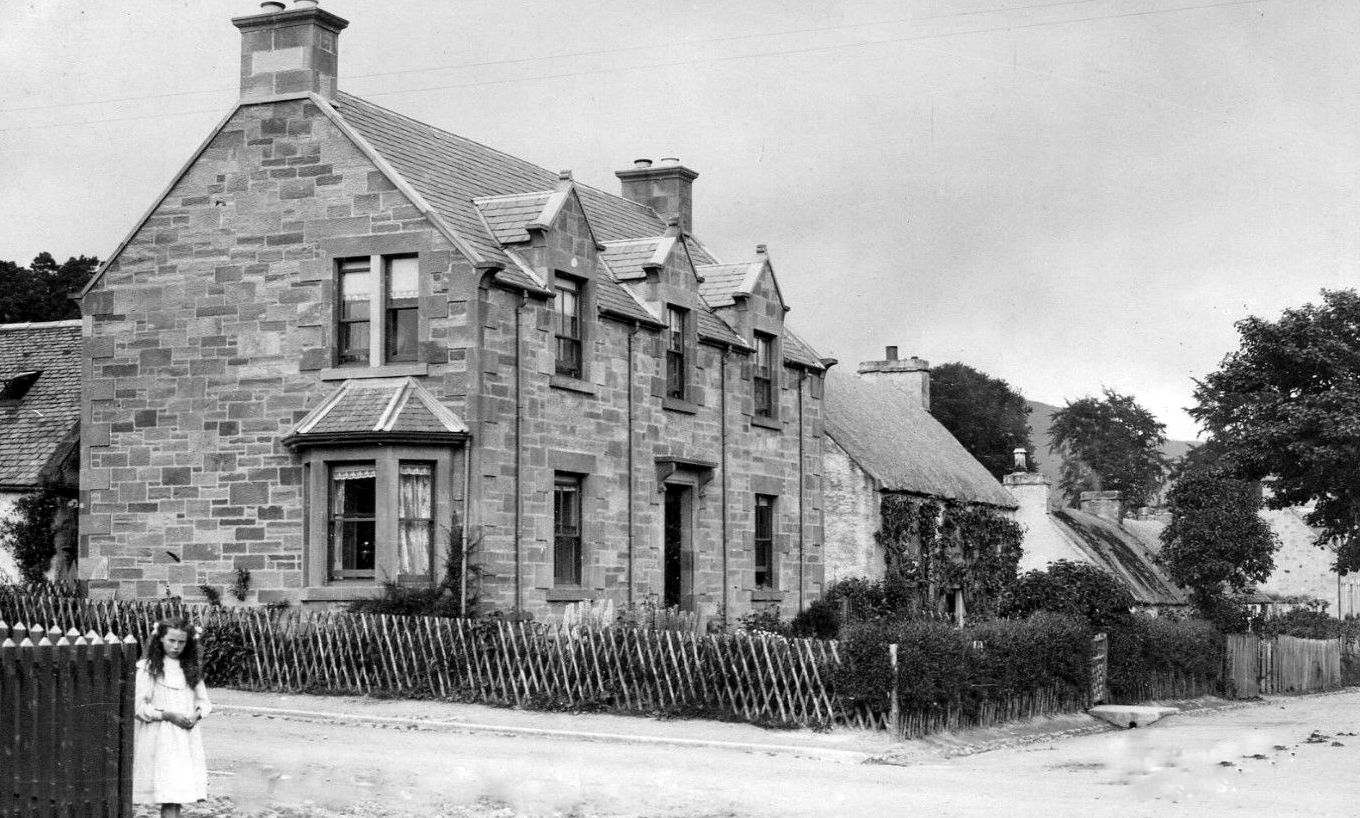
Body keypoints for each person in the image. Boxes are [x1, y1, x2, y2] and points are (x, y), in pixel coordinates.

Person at [133, 616, 211, 818]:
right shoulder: (149, 668)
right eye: (171, 641)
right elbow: (139, 707)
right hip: (161, 739)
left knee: (177, 796)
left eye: (181, 642)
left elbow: (204, 702)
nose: (176, 646)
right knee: (168, 795)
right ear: (160, 640)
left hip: (185, 738)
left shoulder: (191, 668)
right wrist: (167, 715)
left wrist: (196, 715)